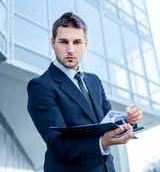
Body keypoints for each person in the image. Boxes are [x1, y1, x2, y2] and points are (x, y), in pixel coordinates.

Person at [27, 12, 143, 172]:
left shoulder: (93, 80)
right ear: (53, 43)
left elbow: (108, 121)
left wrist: (130, 119)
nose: (70, 50)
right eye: (63, 42)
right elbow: (57, 144)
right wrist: (102, 143)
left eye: (77, 42)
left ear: (86, 44)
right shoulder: (40, 86)